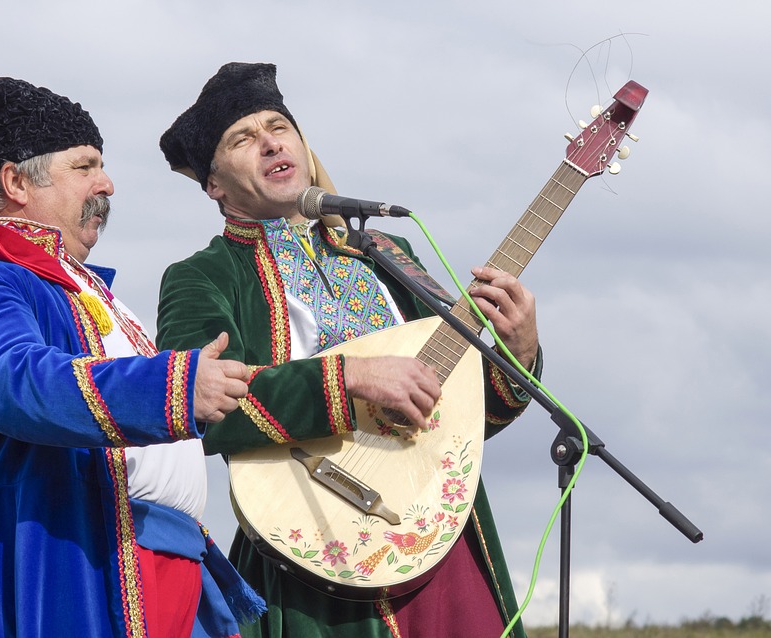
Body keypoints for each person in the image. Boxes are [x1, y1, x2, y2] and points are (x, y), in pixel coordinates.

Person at [155, 62, 543, 638]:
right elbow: (196, 406)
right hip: (316, 552)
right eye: (243, 138)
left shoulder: (385, 250)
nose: (269, 142)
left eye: (279, 126)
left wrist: (518, 351)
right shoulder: (203, 276)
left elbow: (462, 412)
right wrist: (350, 379)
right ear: (214, 184)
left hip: (438, 535)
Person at [0, 77, 265, 637]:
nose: (108, 183)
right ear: (15, 181)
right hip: (44, 563)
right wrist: (171, 386)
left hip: (150, 567)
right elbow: (12, 380)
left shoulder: (88, 291)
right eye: (85, 166)